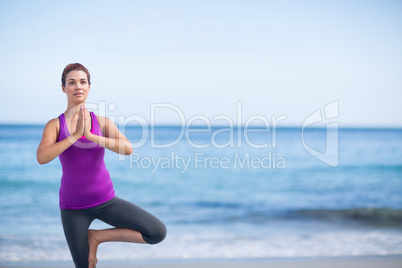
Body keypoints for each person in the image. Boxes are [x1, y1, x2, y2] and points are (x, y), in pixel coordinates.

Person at [36, 63, 166, 268]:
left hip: (107, 202)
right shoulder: (55, 124)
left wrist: (91, 136)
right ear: (64, 88)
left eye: (83, 82)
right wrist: (75, 136)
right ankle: (92, 240)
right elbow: (42, 157)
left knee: (157, 232)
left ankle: (97, 237)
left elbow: (127, 148)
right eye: (72, 82)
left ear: (89, 87)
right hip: (73, 209)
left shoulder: (102, 122)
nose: (78, 86)